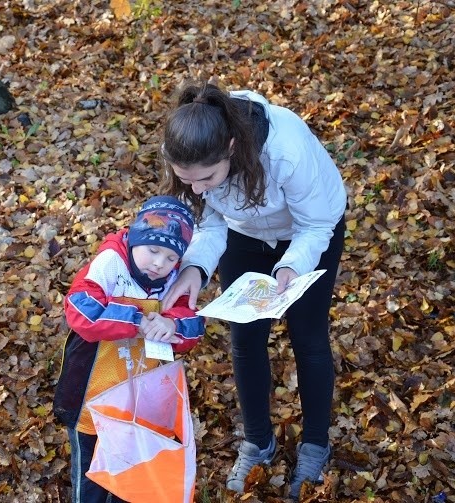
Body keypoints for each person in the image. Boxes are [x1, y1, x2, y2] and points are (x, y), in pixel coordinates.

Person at [158, 83, 347, 500]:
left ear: (230, 147)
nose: (198, 189)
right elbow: (209, 223)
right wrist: (195, 268)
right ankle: (257, 441)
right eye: (188, 180)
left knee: (308, 336)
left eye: (207, 177)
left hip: (310, 230)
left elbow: (317, 225)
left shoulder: (285, 150)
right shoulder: (189, 153)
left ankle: (315, 444)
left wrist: (291, 267)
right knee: (244, 337)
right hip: (243, 235)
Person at [53, 195, 206, 503]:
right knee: (91, 476)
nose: (159, 263)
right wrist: (137, 319)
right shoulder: (110, 263)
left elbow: (194, 325)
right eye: (152, 250)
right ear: (135, 238)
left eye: (170, 257)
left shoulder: (172, 279)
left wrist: (173, 325)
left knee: (132, 475)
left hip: (140, 403)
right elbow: (81, 310)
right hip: (92, 398)